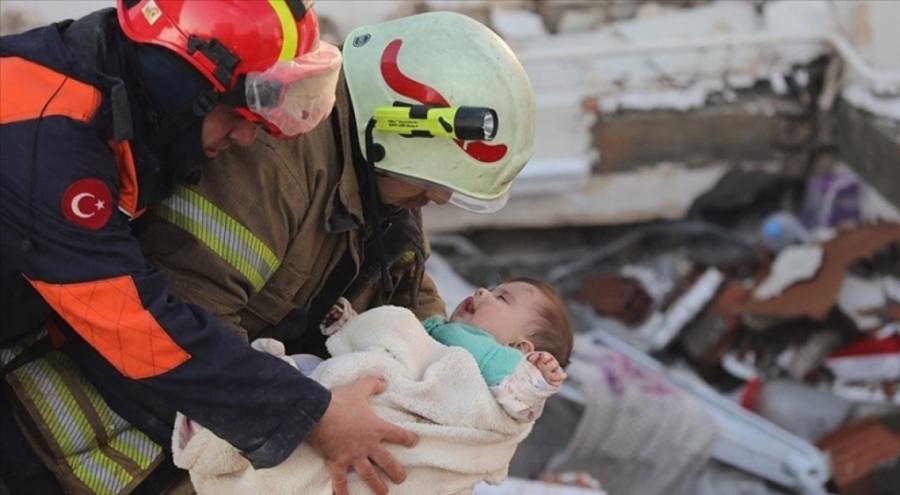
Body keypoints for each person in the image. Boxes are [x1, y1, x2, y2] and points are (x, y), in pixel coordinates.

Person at [0, 2, 416, 495]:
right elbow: (133, 326)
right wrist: (311, 414)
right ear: (178, 83)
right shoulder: (50, 142)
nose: (245, 136)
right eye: (231, 113)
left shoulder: (112, 95)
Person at [136, 10, 536, 492]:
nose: (438, 199)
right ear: (398, 126)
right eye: (433, 184)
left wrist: (489, 389)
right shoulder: (274, 164)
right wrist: (315, 416)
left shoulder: (383, 182)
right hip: (115, 455)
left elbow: (412, 312)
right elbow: (182, 324)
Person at [171, 278, 574, 494]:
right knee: (310, 376)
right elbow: (392, 342)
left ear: (521, 346)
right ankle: (229, 431)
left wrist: (533, 377)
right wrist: (353, 326)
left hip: (409, 430)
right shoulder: (436, 332)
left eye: (501, 298)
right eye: (491, 286)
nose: (484, 291)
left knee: (309, 384)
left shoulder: (498, 360)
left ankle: (222, 437)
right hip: (374, 398)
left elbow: (518, 402)